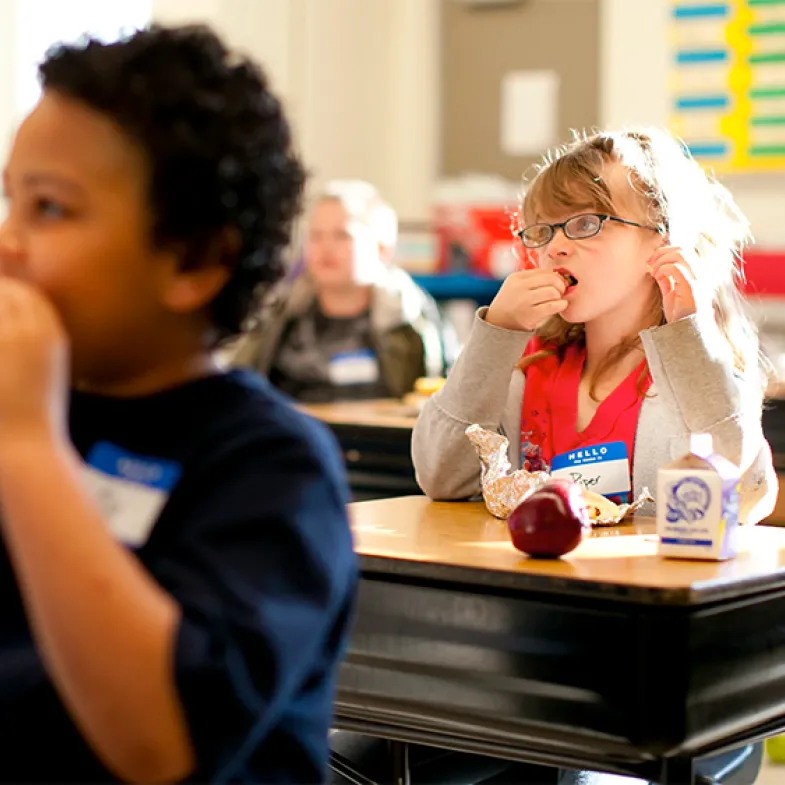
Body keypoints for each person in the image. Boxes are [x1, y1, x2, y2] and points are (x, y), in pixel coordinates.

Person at [0, 24, 356, 784]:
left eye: (51, 209)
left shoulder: (273, 467)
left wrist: (27, 448)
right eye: (10, 202)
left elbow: (159, 746)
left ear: (192, 260)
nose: (8, 243)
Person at [410, 128, 776, 784]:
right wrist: (492, 336)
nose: (554, 246)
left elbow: (743, 491)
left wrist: (685, 336)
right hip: (528, 658)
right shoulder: (530, 366)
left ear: (662, 241)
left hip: (650, 675)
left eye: (585, 221)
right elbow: (440, 472)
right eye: (541, 230)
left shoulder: (694, 375)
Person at [229, 179, 458, 402]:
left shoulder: (414, 319)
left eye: (343, 235)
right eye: (316, 236)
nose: (325, 247)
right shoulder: (279, 312)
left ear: (382, 248)